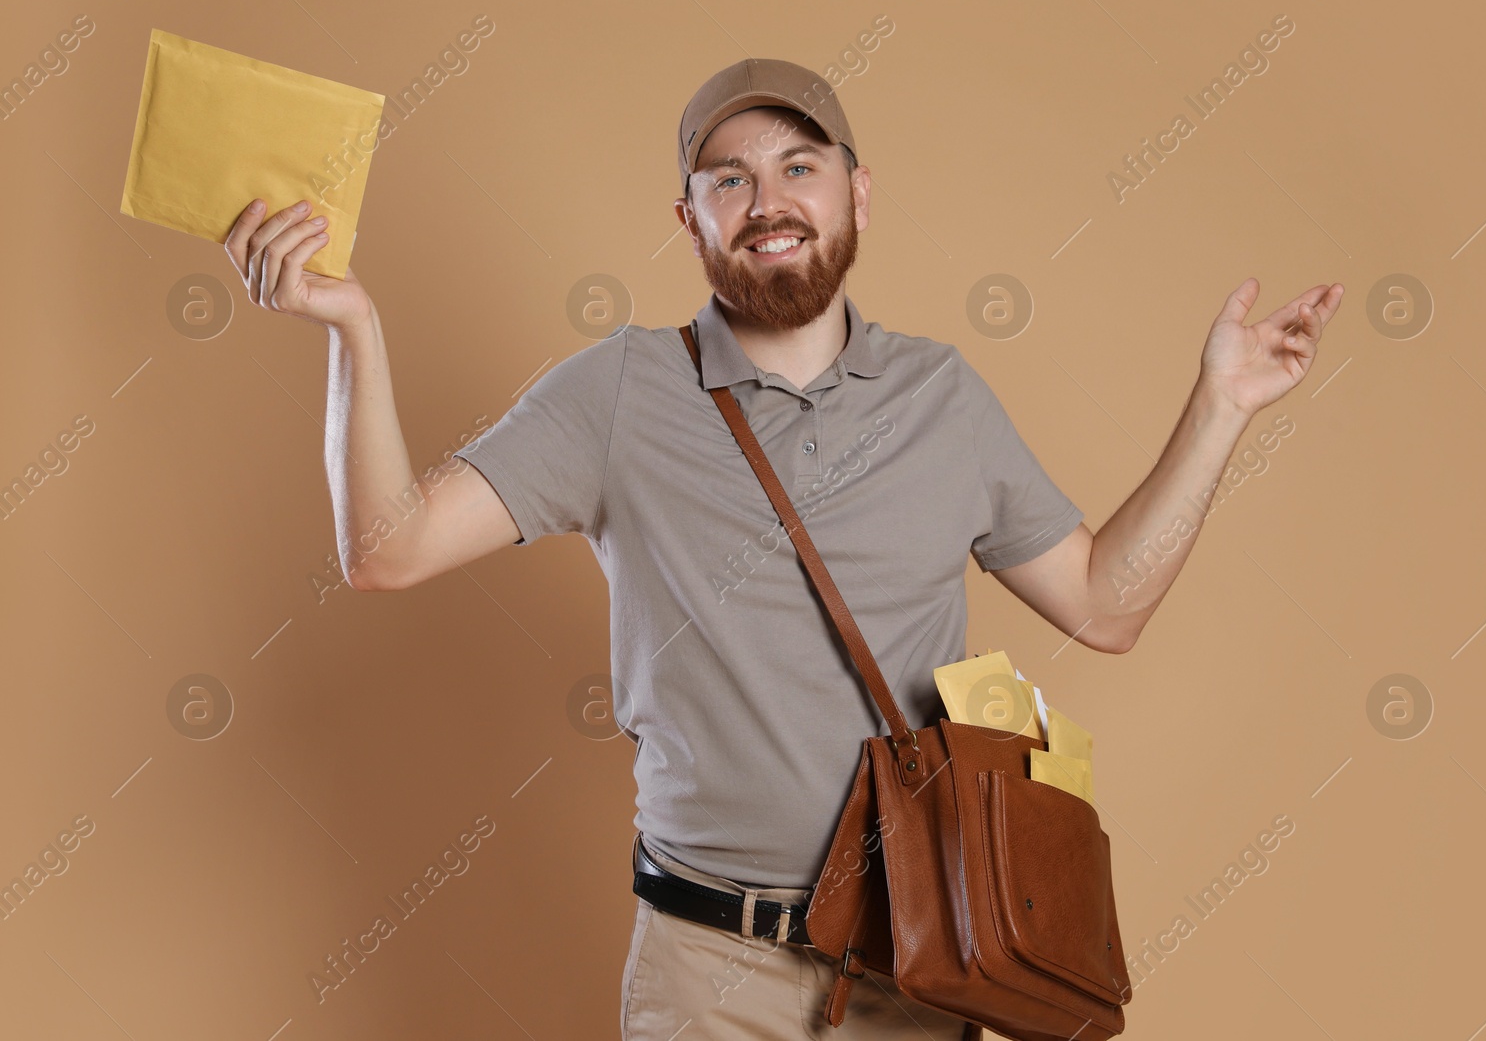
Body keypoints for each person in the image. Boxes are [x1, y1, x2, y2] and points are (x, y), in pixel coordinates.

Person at [222, 57, 1343, 1040]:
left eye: (799, 167)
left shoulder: (941, 396)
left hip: (920, 956)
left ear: (858, 193)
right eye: (729, 179)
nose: (768, 201)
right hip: (705, 970)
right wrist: (353, 332)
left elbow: (1108, 605)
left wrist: (1221, 408)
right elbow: (387, 548)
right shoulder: (619, 392)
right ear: (689, 219)